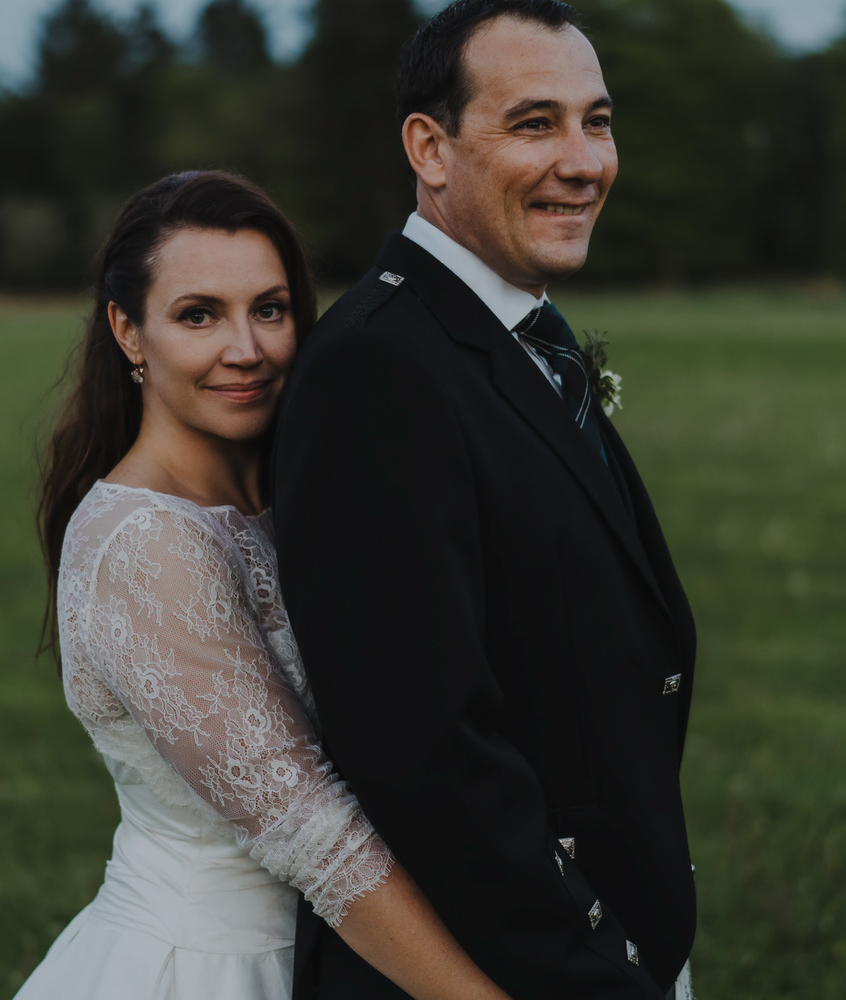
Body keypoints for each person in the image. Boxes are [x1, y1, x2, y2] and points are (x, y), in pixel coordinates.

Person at [273, 2, 698, 998]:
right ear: (430, 146)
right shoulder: (379, 364)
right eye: (535, 123)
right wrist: (593, 969)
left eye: (597, 121)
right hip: (516, 967)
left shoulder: (519, 334)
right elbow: (423, 748)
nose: (585, 161)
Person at [22, 170, 509, 1000]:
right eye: (198, 315)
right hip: (210, 966)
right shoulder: (143, 545)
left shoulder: (298, 502)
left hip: (359, 955)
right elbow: (313, 835)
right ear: (127, 331)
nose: (246, 348)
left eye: (270, 309)